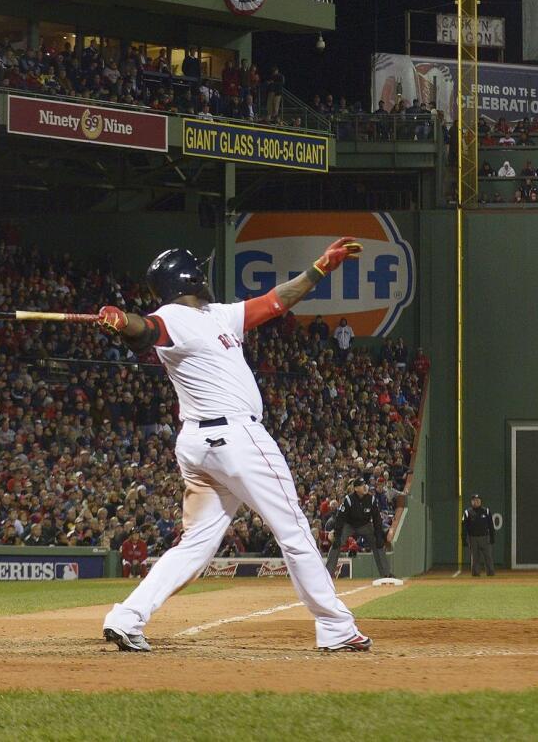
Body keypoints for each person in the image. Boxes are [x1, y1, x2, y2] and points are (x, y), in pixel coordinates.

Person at [96, 243, 373, 652]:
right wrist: (122, 323)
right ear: (189, 278)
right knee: (293, 529)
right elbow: (147, 329)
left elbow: (278, 301)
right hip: (236, 439)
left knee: (194, 545)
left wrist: (321, 267)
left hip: (199, 444)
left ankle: (126, 617)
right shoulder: (171, 316)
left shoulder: (219, 314)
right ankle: (335, 626)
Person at [325, 479, 393, 580]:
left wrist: (378, 536)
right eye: (361, 485)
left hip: (365, 525)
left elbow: (377, 519)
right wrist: (338, 535)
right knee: (336, 543)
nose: (364, 486)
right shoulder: (349, 499)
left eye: (364, 484)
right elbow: (340, 518)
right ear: (356, 488)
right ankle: (327, 574)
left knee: (378, 544)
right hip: (349, 525)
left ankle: (386, 574)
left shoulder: (371, 499)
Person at [462, 493, 496, 577]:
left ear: (480, 501)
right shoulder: (467, 512)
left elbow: (491, 525)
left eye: (478, 500)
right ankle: (475, 574)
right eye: (474, 500)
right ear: (471, 502)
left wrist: (492, 537)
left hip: (485, 537)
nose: (476, 502)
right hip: (473, 538)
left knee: (488, 556)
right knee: (475, 558)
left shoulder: (486, 511)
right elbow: (464, 527)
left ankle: (490, 573)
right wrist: (464, 539)